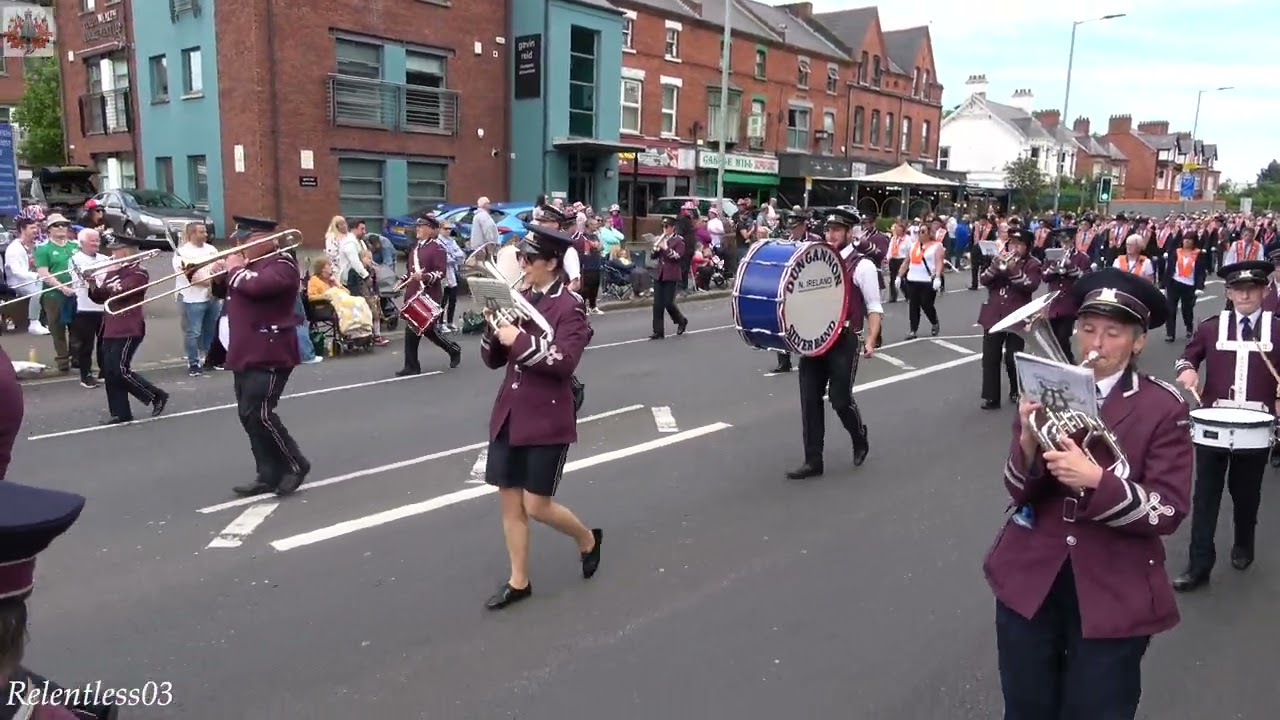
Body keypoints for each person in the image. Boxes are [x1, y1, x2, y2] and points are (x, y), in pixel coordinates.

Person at [984, 267, 1192, 720]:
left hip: (1113, 585)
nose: (1095, 343)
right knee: (1025, 706)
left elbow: (1169, 510)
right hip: (1031, 577)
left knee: (1098, 707)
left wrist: (1098, 481)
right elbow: (1018, 489)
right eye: (1088, 328)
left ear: (1138, 342)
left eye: (1112, 333)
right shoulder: (1046, 386)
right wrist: (1027, 445)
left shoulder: (1163, 407)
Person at [479, 224, 601, 610]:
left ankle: (587, 539)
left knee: (537, 506)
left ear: (551, 262)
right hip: (510, 412)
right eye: (521, 257)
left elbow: (564, 361)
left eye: (529, 259)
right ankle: (519, 580)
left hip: (547, 417)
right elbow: (492, 360)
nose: (523, 264)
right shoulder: (518, 297)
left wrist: (519, 339)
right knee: (510, 505)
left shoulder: (571, 307)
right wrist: (493, 328)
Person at [1171, 260, 1280, 592]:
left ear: (1264, 292)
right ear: (1229, 293)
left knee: (1246, 494)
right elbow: (1188, 356)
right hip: (1213, 424)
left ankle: (1243, 543)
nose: (1245, 295)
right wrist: (1187, 370)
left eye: (1252, 289)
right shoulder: (1210, 326)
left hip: (1257, 428)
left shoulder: (1278, 328)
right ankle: (1198, 564)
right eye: (1238, 290)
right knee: (1206, 495)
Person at [217, 216, 310, 497]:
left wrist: (234, 269)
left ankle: (295, 464)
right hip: (244, 349)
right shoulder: (249, 265)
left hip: (270, 349)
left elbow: (257, 287)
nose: (239, 245)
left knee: (261, 413)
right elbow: (223, 289)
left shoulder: (282, 265)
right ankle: (267, 472)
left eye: (244, 240)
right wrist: (212, 271)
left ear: (263, 240)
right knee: (247, 415)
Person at [787, 207, 882, 480]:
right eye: (828, 230)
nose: (830, 235)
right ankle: (813, 460)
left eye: (837, 230)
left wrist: (871, 339)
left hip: (844, 339)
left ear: (849, 233)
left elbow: (874, 306)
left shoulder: (862, 265)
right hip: (814, 340)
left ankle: (859, 435)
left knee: (840, 400)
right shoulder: (814, 260)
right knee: (809, 400)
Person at [87, 236, 169, 424]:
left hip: (129, 326)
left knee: (120, 369)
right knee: (109, 372)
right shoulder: (114, 271)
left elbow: (122, 291)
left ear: (126, 251)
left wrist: (108, 279)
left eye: (116, 249)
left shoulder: (139, 272)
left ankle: (155, 395)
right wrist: (92, 283)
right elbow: (100, 297)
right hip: (110, 326)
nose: (112, 254)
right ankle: (120, 412)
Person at [977, 229, 1043, 410]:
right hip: (994, 314)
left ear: (1027, 247)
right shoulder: (997, 259)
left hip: (1017, 315)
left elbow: (1030, 285)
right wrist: (995, 268)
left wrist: (1013, 270)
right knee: (990, 357)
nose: (1014, 248)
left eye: (1019, 244)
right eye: (1012, 243)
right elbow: (983, 280)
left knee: (1013, 357)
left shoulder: (1033, 264)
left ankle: (1016, 390)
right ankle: (991, 397)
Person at [397, 215, 461, 376]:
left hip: (428, 294)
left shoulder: (437, 248)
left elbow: (441, 272)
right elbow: (410, 272)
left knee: (417, 329)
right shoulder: (415, 249)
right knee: (425, 330)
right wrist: (401, 281)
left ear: (431, 229)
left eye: (422, 226)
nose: (417, 229)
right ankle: (450, 351)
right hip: (413, 294)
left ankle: (412, 365)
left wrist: (424, 277)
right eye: (417, 226)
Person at [1042, 241, 1091, 363]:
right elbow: (1044, 277)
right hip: (1053, 303)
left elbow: (1086, 278)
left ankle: (1068, 362)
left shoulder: (1082, 257)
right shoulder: (1052, 256)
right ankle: (1061, 363)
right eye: (1063, 241)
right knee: (1053, 339)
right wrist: (1053, 268)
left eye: (1068, 241)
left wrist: (1071, 267)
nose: (1065, 245)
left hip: (1070, 303)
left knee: (1063, 337)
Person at [649, 216, 688, 340]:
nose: (664, 229)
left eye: (667, 227)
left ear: (673, 228)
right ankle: (658, 331)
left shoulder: (679, 241)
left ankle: (681, 320)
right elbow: (653, 257)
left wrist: (666, 247)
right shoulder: (662, 239)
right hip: (660, 273)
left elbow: (677, 257)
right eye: (663, 227)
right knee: (657, 304)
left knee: (668, 303)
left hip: (671, 274)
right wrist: (655, 248)